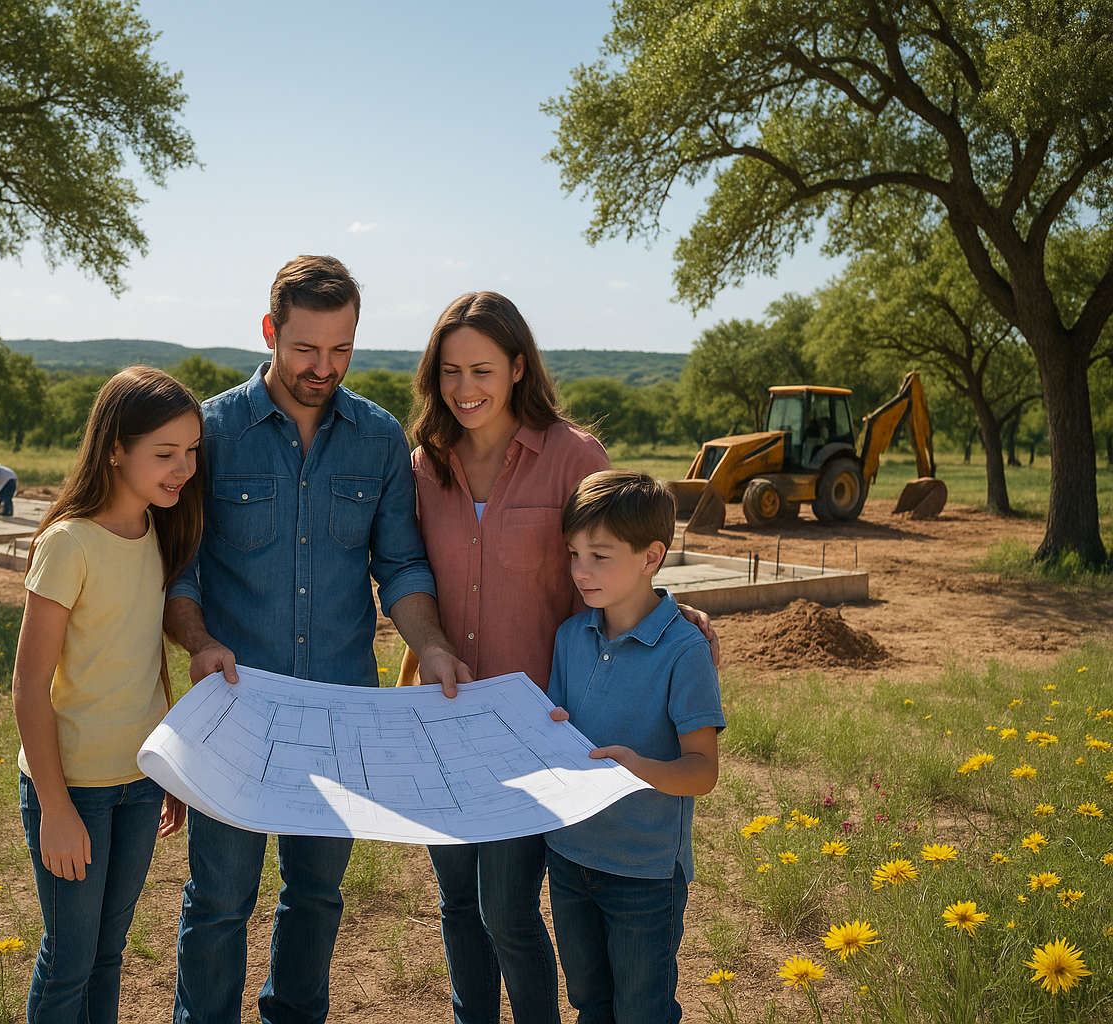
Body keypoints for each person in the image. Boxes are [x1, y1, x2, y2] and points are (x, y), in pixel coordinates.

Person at [163, 255, 472, 1024]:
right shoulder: (210, 431)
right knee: (220, 900)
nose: (323, 367)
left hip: (341, 713)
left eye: (341, 350)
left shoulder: (376, 438)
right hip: (233, 711)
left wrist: (429, 644)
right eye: (306, 348)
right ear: (270, 332)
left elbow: (399, 565)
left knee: (317, 894)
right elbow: (178, 573)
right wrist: (197, 641)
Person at [399, 291, 610, 1024]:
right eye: (450, 371)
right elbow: (406, 574)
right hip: (443, 720)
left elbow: (610, 577)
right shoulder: (424, 464)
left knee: (508, 910)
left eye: (483, 369)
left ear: (519, 367)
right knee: (457, 903)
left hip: (534, 723)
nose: (465, 389)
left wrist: (672, 611)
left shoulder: (574, 458)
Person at [12, 366, 202, 1023]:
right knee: (68, 961)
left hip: (140, 781)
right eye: (166, 453)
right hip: (74, 790)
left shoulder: (159, 533)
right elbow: (29, 684)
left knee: (109, 952)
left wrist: (168, 767)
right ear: (116, 448)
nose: (183, 468)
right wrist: (57, 808)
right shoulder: (69, 544)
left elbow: (146, 664)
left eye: (192, 452)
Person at [545, 470, 724, 1024]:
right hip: (569, 858)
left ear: (651, 558)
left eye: (600, 556)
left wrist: (640, 769)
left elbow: (702, 772)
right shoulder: (570, 637)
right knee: (589, 1003)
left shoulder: (684, 650)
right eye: (574, 554)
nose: (580, 571)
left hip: (644, 871)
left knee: (642, 1010)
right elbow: (557, 729)